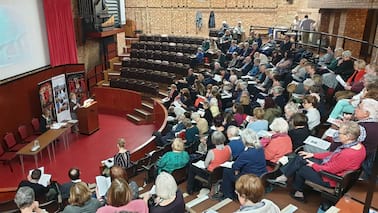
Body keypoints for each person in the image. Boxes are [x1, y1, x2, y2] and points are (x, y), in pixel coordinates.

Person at [273, 121, 366, 202]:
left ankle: (296, 190)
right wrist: (313, 155)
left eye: (340, 133)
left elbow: (329, 170)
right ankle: (285, 177)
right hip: (331, 170)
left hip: (330, 179)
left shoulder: (348, 154)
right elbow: (332, 154)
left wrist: (313, 165)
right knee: (301, 157)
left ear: (348, 136)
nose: (337, 134)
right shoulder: (359, 146)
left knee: (300, 168)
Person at [220, 128, 267, 200]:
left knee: (226, 171)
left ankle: (228, 196)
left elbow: (235, 166)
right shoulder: (260, 148)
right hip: (260, 175)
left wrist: (236, 169)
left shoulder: (246, 154)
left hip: (249, 179)